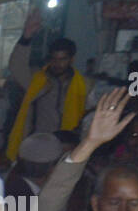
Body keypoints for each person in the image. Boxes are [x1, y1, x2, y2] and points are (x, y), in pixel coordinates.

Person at [6, 9, 88, 162]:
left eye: (63, 59)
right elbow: (16, 66)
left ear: (72, 59)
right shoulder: (38, 80)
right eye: (54, 59)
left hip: (66, 150)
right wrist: (27, 36)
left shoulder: (82, 86)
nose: (57, 63)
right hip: (36, 147)